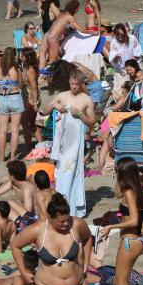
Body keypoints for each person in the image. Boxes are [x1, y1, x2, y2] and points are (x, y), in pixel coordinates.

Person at [101, 158, 143, 285]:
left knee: (120, 284)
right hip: (136, 240)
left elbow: (134, 220)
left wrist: (112, 226)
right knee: (124, 281)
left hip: (130, 241)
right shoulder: (138, 190)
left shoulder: (130, 192)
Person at [45, 68, 97, 217]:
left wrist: (80, 114)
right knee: (60, 173)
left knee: (71, 173)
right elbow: (44, 111)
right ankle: (61, 205)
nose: (73, 86)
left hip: (75, 143)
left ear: (81, 84)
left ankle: (70, 208)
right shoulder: (62, 96)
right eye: (71, 83)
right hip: (62, 142)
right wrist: (55, 106)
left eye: (76, 84)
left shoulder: (86, 100)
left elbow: (92, 122)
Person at [0, 48, 25, 161]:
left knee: (2, 130)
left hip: (2, 98)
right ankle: (12, 157)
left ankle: (2, 156)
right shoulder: (16, 68)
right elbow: (21, 85)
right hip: (15, 97)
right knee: (15, 130)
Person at [41, 1, 87, 70]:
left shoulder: (61, 13)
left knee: (42, 54)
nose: (78, 10)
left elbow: (60, 25)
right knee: (53, 60)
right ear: (75, 9)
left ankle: (41, 73)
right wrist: (93, 32)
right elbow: (82, 30)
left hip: (47, 35)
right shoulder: (70, 17)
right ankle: (48, 76)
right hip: (53, 37)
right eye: (78, 8)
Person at [103, 24, 143, 97]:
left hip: (134, 65)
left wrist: (132, 66)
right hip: (121, 68)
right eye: (117, 35)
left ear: (125, 32)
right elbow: (113, 60)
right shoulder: (114, 42)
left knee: (138, 83)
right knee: (120, 88)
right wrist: (116, 57)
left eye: (121, 34)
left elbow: (137, 52)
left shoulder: (132, 38)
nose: (119, 36)